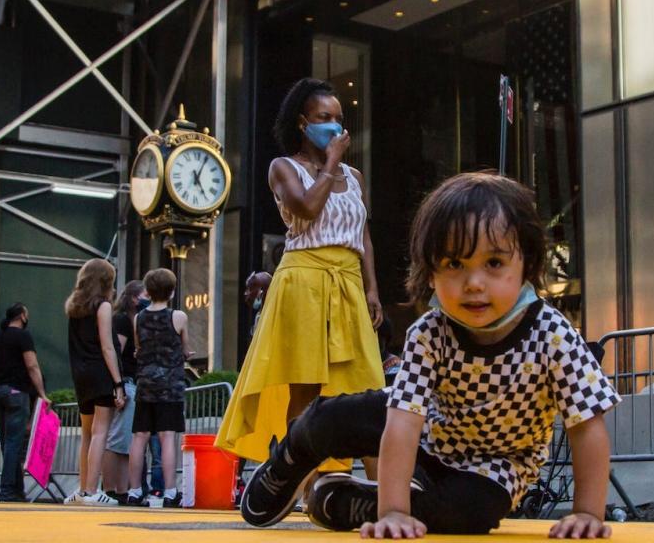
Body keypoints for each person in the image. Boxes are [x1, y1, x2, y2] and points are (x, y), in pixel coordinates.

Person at [240, 172, 621, 538]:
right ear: (430, 272)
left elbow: (586, 426)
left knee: (473, 512)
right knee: (329, 417)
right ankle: (294, 453)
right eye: (455, 264)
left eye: (494, 263)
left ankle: (355, 503)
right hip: (427, 431)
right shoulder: (430, 331)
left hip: (495, 466)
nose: (474, 284)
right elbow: (404, 422)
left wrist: (587, 512)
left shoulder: (554, 335)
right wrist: (394, 511)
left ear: (528, 265)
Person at [216, 78, 385, 464]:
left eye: (339, 118)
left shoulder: (354, 177)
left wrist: (372, 288)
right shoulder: (284, 167)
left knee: (368, 388)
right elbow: (307, 208)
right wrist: (331, 163)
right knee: (305, 389)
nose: (335, 125)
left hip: (348, 282)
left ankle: (383, 492)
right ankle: (299, 481)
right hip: (304, 279)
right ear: (302, 122)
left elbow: (364, 235)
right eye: (324, 117)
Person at [126, 268, 190, 507]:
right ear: (171, 291)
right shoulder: (179, 317)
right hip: (170, 385)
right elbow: (184, 348)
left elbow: (139, 347)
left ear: (148, 291)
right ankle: (170, 492)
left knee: (139, 437)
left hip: (145, 384)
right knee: (167, 438)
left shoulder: (138, 318)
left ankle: (134, 491)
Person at [64, 258, 126, 506]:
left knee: (87, 434)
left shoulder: (74, 308)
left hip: (81, 375)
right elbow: (107, 346)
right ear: (106, 281)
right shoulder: (103, 307)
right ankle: (92, 490)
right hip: (100, 373)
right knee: (101, 432)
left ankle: (82, 489)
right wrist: (118, 382)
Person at [0, 303, 50, 502]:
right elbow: (32, 365)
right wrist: (42, 394)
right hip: (16, 393)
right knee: (14, 443)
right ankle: (7, 490)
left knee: (7, 443)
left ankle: (18, 490)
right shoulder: (23, 337)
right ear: (21, 316)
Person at [102, 280, 144, 503]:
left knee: (124, 440)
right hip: (125, 382)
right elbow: (117, 350)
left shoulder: (129, 320)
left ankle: (120, 489)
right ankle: (110, 488)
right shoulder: (122, 321)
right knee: (117, 438)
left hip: (128, 382)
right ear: (135, 298)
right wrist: (118, 385)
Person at [244, 270, 273, 336]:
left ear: (261, 292)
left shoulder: (268, 317)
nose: (246, 293)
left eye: (250, 289)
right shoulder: (259, 315)